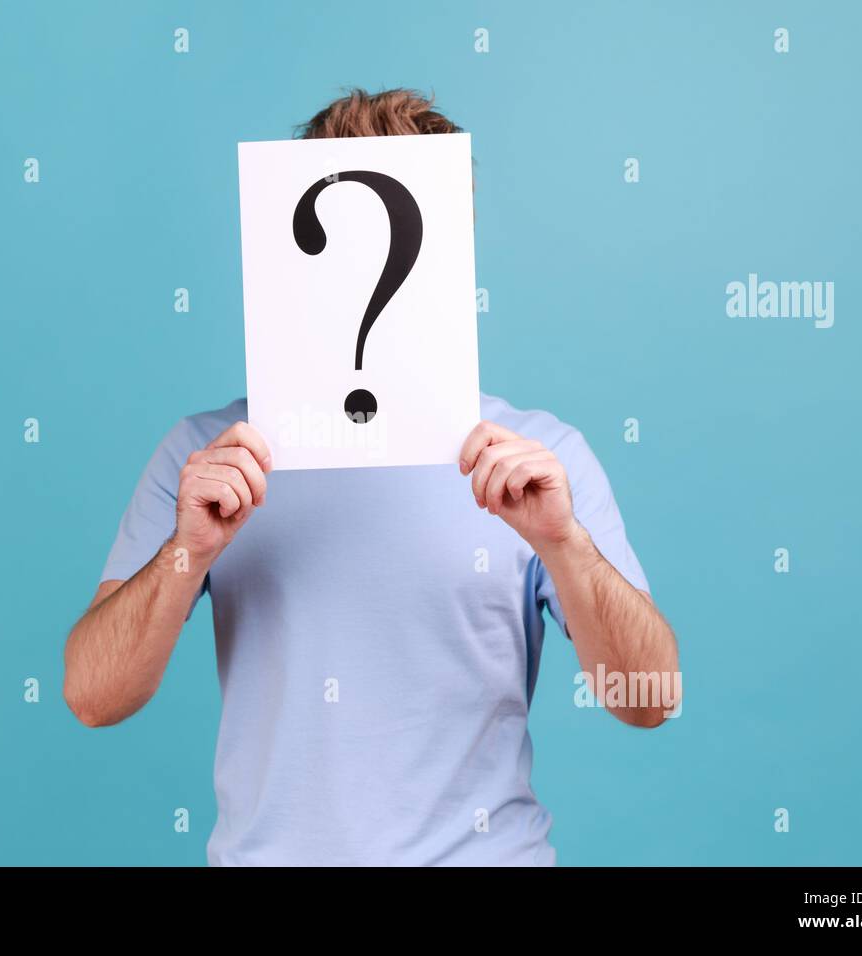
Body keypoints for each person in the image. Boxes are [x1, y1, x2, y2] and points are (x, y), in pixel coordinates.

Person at [63, 88, 680, 866]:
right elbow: (93, 697)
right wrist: (187, 549)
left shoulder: (540, 459)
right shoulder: (207, 459)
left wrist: (565, 546)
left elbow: (652, 702)